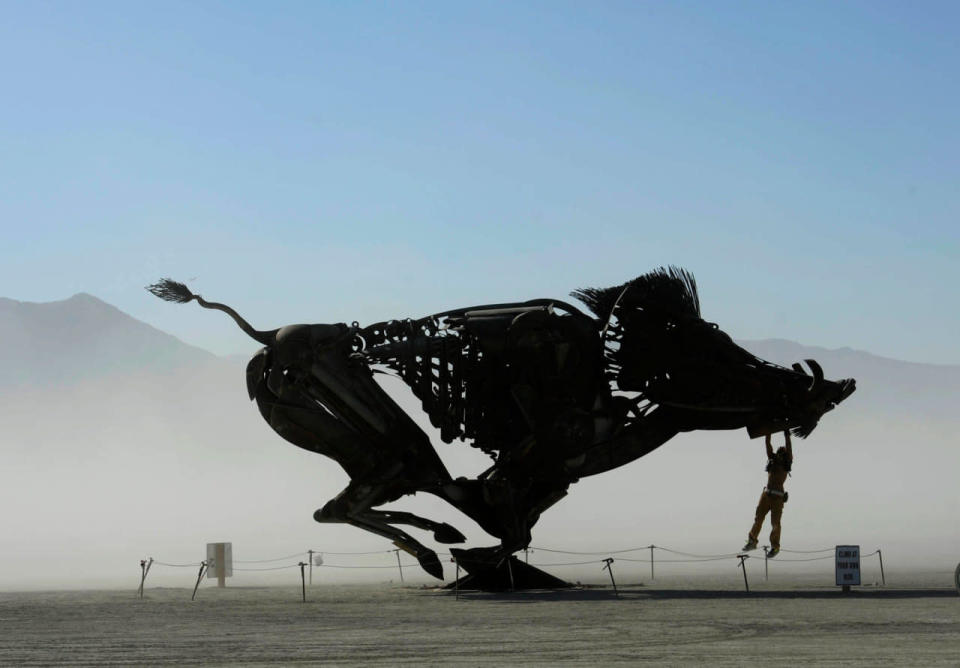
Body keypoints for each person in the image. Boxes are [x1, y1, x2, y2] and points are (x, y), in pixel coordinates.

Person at [743, 430, 792, 558]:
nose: (781, 453)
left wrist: (787, 435)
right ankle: (752, 540)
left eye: (783, 452)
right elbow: (767, 443)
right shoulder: (772, 459)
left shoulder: (787, 463)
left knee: (775, 523)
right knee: (758, 518)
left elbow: (789, 448)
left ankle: (775, 547)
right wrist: (768, 431)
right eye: (779, 452)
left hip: (778, 498)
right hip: (766, 495)